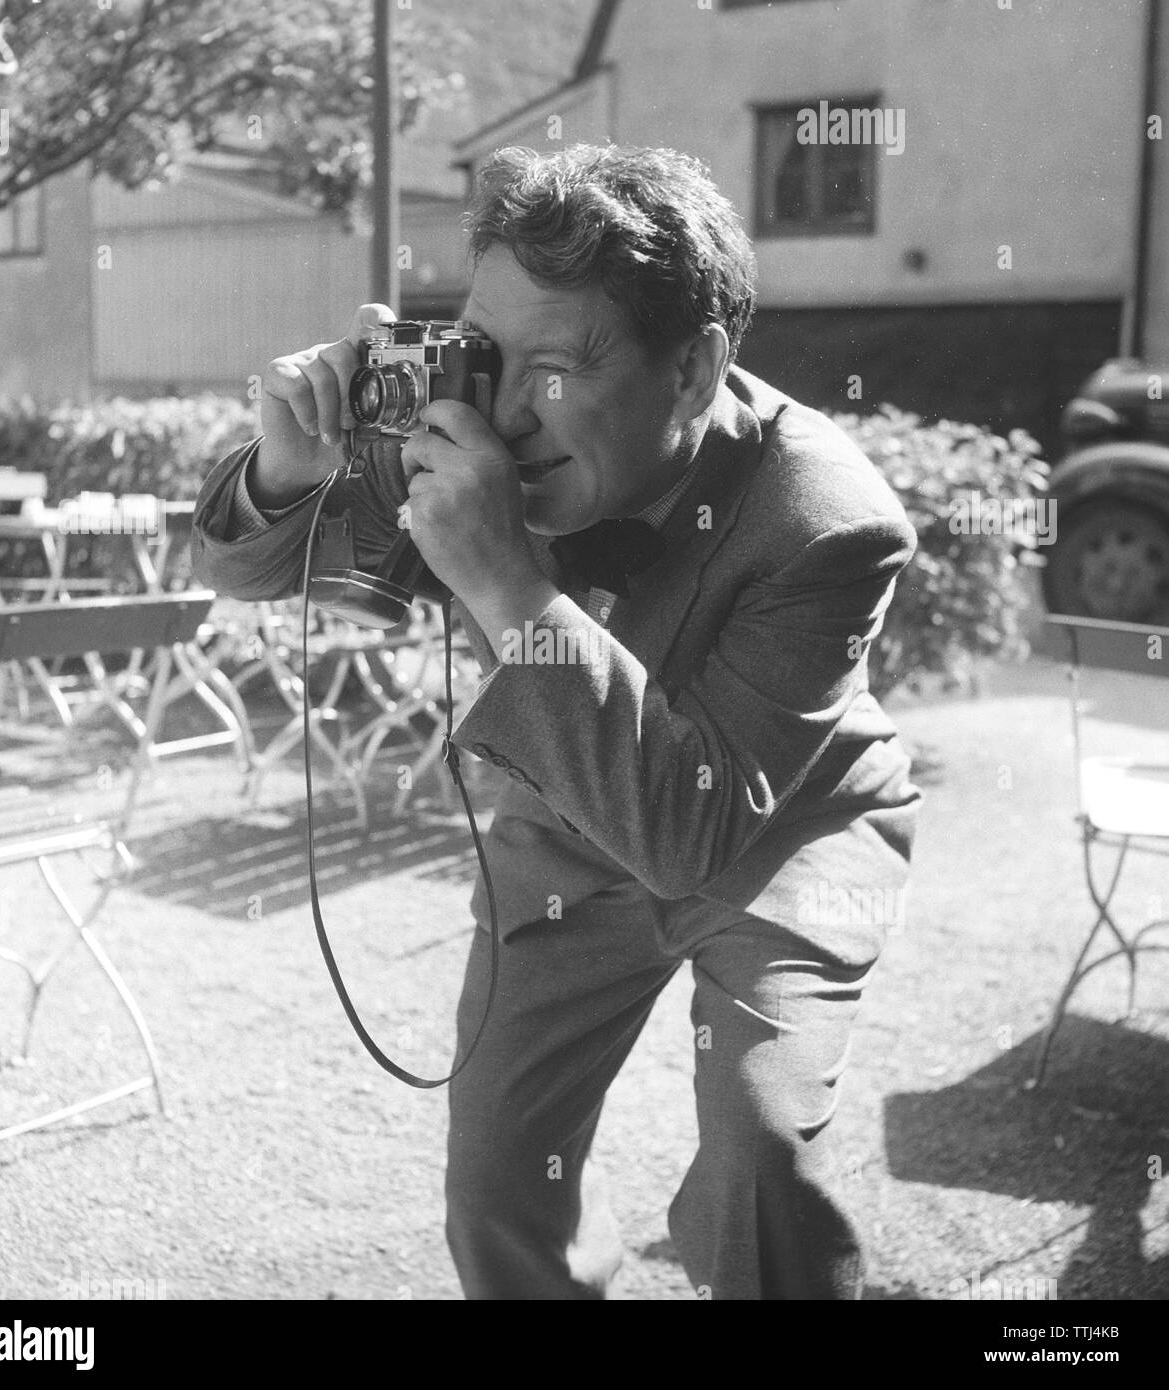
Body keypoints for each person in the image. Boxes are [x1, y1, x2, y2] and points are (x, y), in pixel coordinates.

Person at [191, 143, 922, 1301]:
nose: (504, 409)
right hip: (566, 833)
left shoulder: (827, 519)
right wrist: (293, 468)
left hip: (777, 834)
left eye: (555, 366)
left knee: (759, 1162)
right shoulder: (488, 431)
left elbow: (693, 832)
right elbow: (254, 567)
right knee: (496, 1189)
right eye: (489, 352)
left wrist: (506, 587)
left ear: (690, 371)